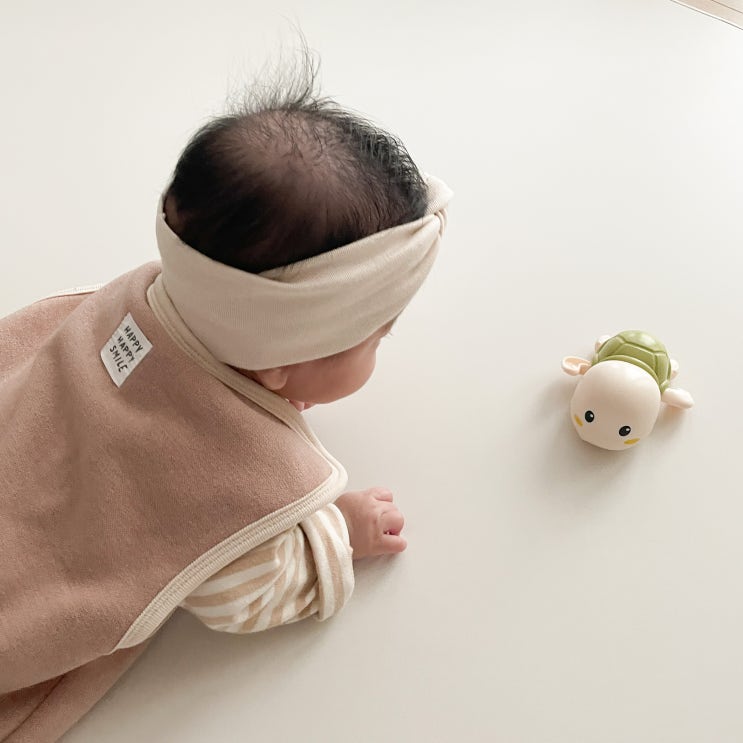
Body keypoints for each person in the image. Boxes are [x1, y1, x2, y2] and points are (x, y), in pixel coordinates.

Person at [0, 53, 451, 742]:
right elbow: (236, 596)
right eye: (376, 337)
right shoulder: (228, 480)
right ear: (281, 364)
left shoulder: (143, 306)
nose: (380, 348)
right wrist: (339, 534)